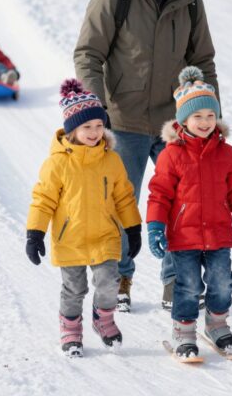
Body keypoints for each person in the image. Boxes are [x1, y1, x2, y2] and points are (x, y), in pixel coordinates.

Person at [74, 0, 218, 312]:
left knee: (182, 201)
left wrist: (209, 113)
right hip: (124, 119)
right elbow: (88, 54)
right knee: (123, 203)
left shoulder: (190, 1)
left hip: (174, 123)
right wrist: (96, 106)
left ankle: (178, 281)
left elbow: (202, 59)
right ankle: (121, 275)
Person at [25, 79, 143, 357]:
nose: (94, 132)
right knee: (73, 288)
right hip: (72, 239)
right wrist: (35, 233)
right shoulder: (57, 163)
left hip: (104, 237)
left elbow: (124, 197)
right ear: (72, 129)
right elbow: (43, 200)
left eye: (99, 126)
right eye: (86, 127)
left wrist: (133, 227)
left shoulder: (111, 160)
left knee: (109, 282)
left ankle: (103, 318)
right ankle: (71, 328)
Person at [145, 67, 232, 358]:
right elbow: (160, 193)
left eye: (210, 115)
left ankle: (217, 325)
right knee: (188, 286)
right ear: (184, 119)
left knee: (221, 281)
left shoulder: (226, 153)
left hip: (218, 233)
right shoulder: (172, 154)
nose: (205, 122)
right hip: (184, 236)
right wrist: (156, 226)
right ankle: (183, 331)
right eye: (197, 116)